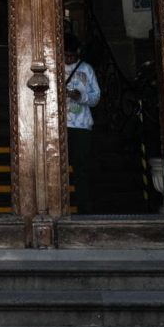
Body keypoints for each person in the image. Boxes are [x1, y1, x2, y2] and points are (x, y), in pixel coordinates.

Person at [63, 31, 102, 213]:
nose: (69, 59)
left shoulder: (86, 69)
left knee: (81, 167)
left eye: (72, 55)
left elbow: (96, 97)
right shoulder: (54, 67)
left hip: (81, 125)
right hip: (60, 125)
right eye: (66, 55)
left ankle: (83, 206)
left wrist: (80, 96)